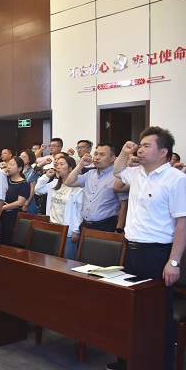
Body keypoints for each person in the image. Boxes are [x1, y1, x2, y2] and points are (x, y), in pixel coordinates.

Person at [109, 126, 186, 370]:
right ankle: (132, 361)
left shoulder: (176, 179)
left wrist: (173, 262)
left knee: (157, 315)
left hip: (157, 254)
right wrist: (124, 152)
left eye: (146, 146)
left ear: (163, 152)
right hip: (132, 250)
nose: (140, 150)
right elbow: (117, 171)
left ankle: (161, 364)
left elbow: (182, 224)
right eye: (140, 145)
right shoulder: (137, 173)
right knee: (132, 310)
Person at [64, 142, 127, 233]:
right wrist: (81, 164)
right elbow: (69, 182)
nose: (97, 157)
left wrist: (119, 229)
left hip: (106, 225)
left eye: (102, 155)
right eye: (96, 154)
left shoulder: (117, 176)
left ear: (113, 158)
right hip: (85, 225)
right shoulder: (90, 174)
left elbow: (124, 205)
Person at [35, 155, 82, 259]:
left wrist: (76, 230)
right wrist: (46, 176)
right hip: (52, 226)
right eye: (57, 164)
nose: (58, 166)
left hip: (68, 230)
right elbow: (38, 189)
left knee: (67, 261)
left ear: (70, 168)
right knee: (51, 259)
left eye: (61, 164)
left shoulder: (77, 187)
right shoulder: (55, 183)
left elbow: (80, 211)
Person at [0, 156, 30, 246]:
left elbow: (20, 202)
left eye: (12, 165)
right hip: (1, 214)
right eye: (8, 164)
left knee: (9, 241)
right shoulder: (5, 179)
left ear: (20, 168)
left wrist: (3, 207)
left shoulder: (24, 184)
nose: (9, 167)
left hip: (13, 216)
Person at [19, 149, 38, 214]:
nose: (21, 158)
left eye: (23, 157)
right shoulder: (18, 170)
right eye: (20, 156)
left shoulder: (32, 172)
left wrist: (26, 203)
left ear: (30, 159)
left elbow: (32, 190)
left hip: (28, 202)